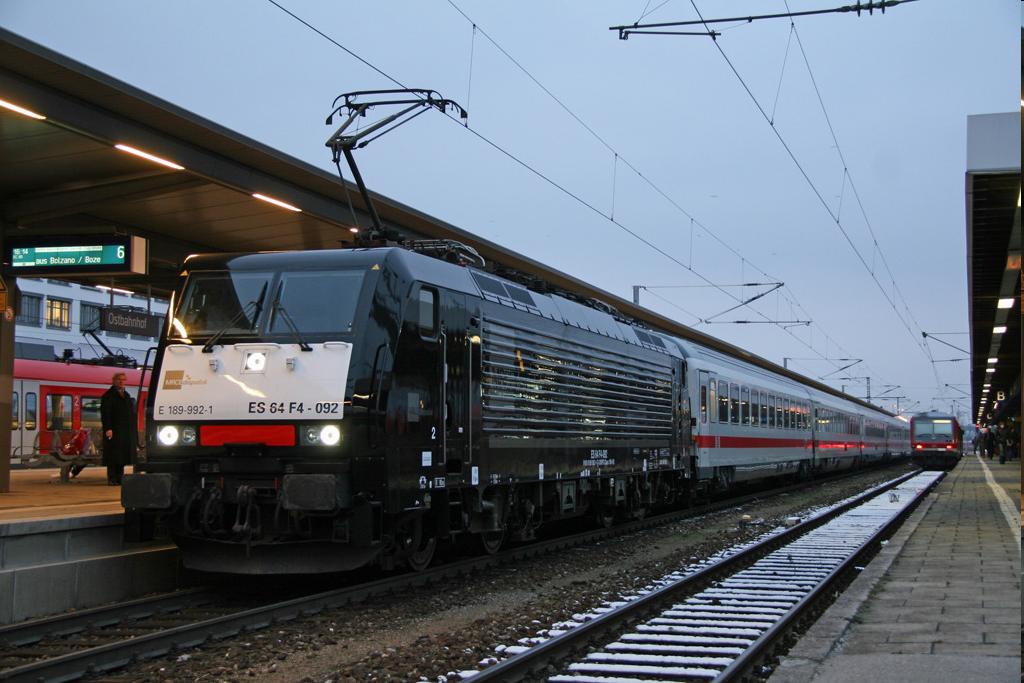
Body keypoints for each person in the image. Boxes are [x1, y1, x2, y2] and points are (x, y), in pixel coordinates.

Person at [100, 371, 137, 485]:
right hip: (114, 431)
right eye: (119, 379)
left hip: (125, 431)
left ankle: (119, 478)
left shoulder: (127, 396)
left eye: (123, 380)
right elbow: (106, 413)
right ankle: (112, 478)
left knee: (121, 457)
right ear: (114, 381)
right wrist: (108, 428)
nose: (121, 382)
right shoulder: (108, 396)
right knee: (113, 456)